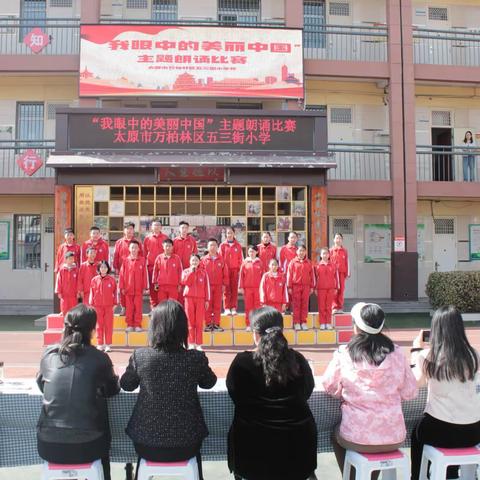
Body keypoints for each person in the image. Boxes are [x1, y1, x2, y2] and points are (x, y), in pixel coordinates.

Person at [120, 301, 217, 480]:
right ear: (182, 328)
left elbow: (126, 384)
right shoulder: (195, 358)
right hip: (188, 443)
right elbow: (209, 382)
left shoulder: (141, 356)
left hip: (145, 442)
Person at [322, 302, 417, 480]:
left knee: (335, 434)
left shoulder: (345, 353)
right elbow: (410, 392)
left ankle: (351, 476)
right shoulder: (397, 353)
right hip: (394, 435)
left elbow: (329, 386)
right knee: (376, 444)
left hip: (357, 436)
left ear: (356, 327)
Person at [227, 307, 317, 480]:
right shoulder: (298, 360)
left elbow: (235, 395)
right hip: (298, 452)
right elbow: (307, 391)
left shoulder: (241, 363)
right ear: (281, 331)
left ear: (256, 333)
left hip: (252, 454)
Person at [37, 304, 119, 480]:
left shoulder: (49, 354)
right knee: (102, 450)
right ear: (92, 330)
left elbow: (41, 384)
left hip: (48, 444)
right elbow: (112, 389)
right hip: (89, 445)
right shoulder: (100, 358)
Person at [410, 306, 480, 480]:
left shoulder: (427, 356)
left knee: (417, 433)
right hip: (473, 431)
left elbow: (416, 383)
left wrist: (415, 350)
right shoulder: (474, 355)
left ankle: (418, 476)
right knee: (454, 431)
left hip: (440, 429)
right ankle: (452, 473)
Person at [182, 254, 210, 350]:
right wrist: (191, 272)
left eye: (196, 260)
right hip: (189, 298)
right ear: (190, 261)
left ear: (199, 262)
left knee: (199, 322)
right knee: (190, 321)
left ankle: (198, 343)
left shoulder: (203, 273)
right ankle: (191, 342)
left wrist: (207, 300)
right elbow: (186, 282)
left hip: (200, 299)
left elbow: (207, 287)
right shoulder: (186, 271)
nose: (194, 262)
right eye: (193, 260)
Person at [119, 241, 148, 333]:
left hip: (139, 289)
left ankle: (138, 325)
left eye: (136, 247)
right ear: (129, 249)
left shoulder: (142, 260)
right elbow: (121, 275)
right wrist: (122, 287)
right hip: (128, 288)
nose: (134, 249)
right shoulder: (125, 260)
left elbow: (145, 274)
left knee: (138, 307)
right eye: (132, 247)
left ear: (139, 249)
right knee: (129, 307)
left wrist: (145, 287)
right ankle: (130, 324)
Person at [113, 222, 143, 312]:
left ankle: (134, 308)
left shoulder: (137, 242)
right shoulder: (119, 242)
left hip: (135, 271)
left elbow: (142, 256)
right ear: (124, 230)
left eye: (131, 229)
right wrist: (116, 269)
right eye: (127, 228)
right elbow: (116, 256)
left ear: (133, 230)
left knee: (135, 291)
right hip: (122, 271)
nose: (129, 230)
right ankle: (124, 308)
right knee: (122, 290)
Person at [202, 238, 229, 332]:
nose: (212, 247)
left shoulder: (221, 259)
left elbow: (225, 273)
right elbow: (201, 273)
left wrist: (224, 284)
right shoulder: (203, 260)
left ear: (217, 247)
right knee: (208, 305)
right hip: (207, 287)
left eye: (214, 245)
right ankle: (208, 324)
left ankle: (217, 324)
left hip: (218, 285)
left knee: (217, 305)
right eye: (210, 245)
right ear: (207, 247)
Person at [89, 261, 117, 352]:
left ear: (108, 268)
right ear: (99, 269)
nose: (103, 269)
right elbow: (91, 293)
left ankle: (108, 344)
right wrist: (91, 304)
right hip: (97, 306)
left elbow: (116, 293)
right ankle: (100, 344)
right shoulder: (94, 280)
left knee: (108, 325)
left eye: (105, 267)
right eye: (101, 267)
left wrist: (115, 304)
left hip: (109, 306)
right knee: (99, 325)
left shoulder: (112, 280)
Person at [287, 244, 315, 331]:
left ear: (305, 252)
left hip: (306, 286)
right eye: (299, 250)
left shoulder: (309, 262)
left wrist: (311, 287)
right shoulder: (293, 262)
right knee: (296, 304)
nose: (301, 252)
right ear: (296, 252)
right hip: (296, 286)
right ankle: (296, 323)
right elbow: (289, 275)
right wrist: (289, 286)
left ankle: (303, 322)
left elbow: (312, 276)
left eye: (303, 251)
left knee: (304, 304)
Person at [143, 220, 168, 308]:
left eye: (158, 225)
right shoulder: (147, 238)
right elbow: (144, 253)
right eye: (154, 225)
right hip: (151, 267)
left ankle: (162, 308)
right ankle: (153, 308)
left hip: (163, 268)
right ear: (151, 227)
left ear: (161, 227)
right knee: (152, 289)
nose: (156, 227)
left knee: (162, 289)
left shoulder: (165, 238)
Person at [239, 245, 264, 331]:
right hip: (247, 288)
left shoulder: (260, 262)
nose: (251, 253)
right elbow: (241, 276)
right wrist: (241, 287)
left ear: (257, 252)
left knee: (257, 307)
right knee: (248, 307)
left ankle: (257, 324)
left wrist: (263, 288)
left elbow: (263, 276)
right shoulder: (245, 262)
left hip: (258, 288)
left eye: (253, 251)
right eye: (250, 251)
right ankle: (249, 324)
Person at [220, 226, 244, 316]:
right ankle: (226, 308)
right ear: (226, 234)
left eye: (231, 233)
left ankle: (233, 308)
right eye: (228, 233)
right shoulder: (222, 245)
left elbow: (241, 259)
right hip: (226, 271)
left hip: (235, 271)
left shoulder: (238, 246)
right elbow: (220, 259)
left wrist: (239, 269)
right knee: (226, 290)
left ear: (234, 234)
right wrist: (222, 271)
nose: (229, 235)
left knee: (234, 290)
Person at [152, 238, 183, 303]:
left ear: (172, 247)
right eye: (166, 246)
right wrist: (155, 283)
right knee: (162, 304)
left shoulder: (176, 258)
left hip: (173, 286)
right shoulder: (159, 258)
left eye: (169, 246)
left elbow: (180, 271)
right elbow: (155, 271)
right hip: (161, 286)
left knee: (172, 305)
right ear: (163, 247)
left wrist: (180, 284)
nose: (168, 248)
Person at [315, 247, 339, 330]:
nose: (325, 255)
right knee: (321, 306)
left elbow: (336, 277)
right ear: (321, 255)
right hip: (321, 288)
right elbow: (314, 278)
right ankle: (322, 323)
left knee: (328, 306)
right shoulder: (317, 266)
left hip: (331, 288)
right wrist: (315, 288)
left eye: (326, 253)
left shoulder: (333, 265)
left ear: (329, 255)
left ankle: (328, 322)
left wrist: (336, 287)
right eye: (323, 253)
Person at [330, 233, 349, 313]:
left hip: (341, 273)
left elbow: (347, 262)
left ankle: (340, 307)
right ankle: (334, 307)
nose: (338, 240)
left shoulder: (344, 251)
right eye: (337, 238)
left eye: (340, 238)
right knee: (334, 290)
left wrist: (347, 273)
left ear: (342, 240)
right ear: (334, 240)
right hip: (333, 274)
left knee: (341, 290)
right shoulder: (330, 250)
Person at [55, 251, 79, 317]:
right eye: (70, 258)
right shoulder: (62, 270)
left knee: (74, 310)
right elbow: (58, 281)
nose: (71, 260)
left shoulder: (76, 269)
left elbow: (78, 281)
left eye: (72, 258)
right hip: (64, 294)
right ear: (65, 260)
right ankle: (65, 326)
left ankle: (73, 326)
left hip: (73, 294)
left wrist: (78, 292)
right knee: (64, 309)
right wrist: (59, 292)